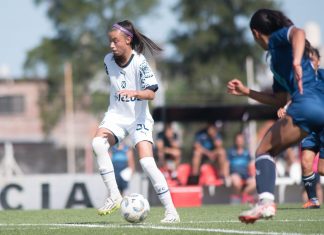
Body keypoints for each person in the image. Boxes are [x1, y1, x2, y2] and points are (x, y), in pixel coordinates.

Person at [227, 9, 324, 223]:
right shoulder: (275, 60)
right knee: (275, 153)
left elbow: (298, 32)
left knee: (263, 151)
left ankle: (266, 203)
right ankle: (266, 203)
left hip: (306, 105)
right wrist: (247, 92)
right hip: (318, 107)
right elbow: (279, 101)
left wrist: (297, 62)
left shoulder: (278, 39)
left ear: (255, 33)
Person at [91, 20, 180, 223]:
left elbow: (151, 94)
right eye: (110, 41)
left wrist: (135, 93)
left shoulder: (139, 62)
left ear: (128, 40)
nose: (111, 45)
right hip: (116, 116)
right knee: (97, 143)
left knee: (147, 163)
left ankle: (171, 212)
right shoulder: (108, 60)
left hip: (139, 118)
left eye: (115, 41)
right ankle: (114, 195)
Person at [277, 47, 322, 209]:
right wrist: (285, 108)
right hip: (309, 128)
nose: (309, 63)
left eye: (312, 59)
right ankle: (313, 200)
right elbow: (296, 99)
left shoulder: (322, 76)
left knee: (322, 169)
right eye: (307, 60)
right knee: (305, 163)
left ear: (318, 61)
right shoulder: (300, 80)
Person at [227, 133, 256, 204]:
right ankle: (238, 200)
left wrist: (253, 174)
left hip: (245, 174)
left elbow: (250, 164)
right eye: (238, 140)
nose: (239, 142)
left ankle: (242, 196)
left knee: (255, 182)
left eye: (241, 140)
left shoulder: (247, 152)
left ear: (243, 141)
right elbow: (226, 164)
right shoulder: (230, 152)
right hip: (234, 173)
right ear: (235, 141)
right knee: (237, 183)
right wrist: (226, 176)